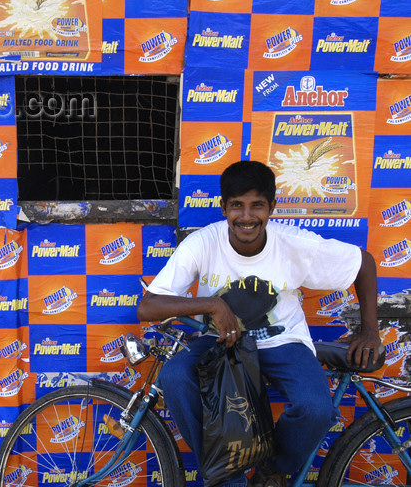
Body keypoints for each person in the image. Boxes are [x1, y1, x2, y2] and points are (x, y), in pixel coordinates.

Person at [137, 160, 381, 487]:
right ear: (223, 207)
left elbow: (363, 262)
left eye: (257, 206)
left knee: (316, 408)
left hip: (283, 342)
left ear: (272, 208)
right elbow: (148, 306)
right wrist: (212, 304)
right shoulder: (202, 243)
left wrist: (369, 330)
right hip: (219, 342)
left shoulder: (293, 243)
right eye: (237, 205)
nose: (247, 216)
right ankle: (227, 473)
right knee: (175, 376)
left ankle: (272, 472)